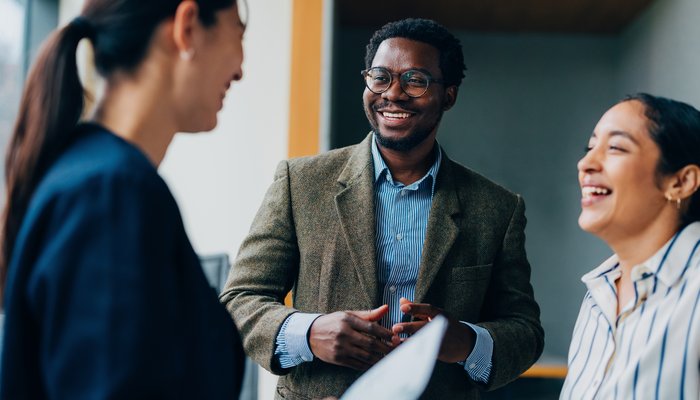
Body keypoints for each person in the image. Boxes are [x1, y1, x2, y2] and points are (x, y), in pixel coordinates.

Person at [221, 18, 543, 399]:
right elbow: (239, 302)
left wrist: (465, 341)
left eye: (416, 80)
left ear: (449, 94)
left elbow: (525, 331)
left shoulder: (496, 208)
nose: (394, 93)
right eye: (380, 77)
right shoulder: (301, 183)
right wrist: (309, 333)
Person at [0, 0, 247, 398]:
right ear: (186, 28)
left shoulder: (93, 180)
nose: (239, 69)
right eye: (238, 32)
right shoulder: (110, 195)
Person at [560, 93, 700, 399]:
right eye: (590, 147)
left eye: (616, 147)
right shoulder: (598, 296)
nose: (585, 163)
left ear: (681, 182)